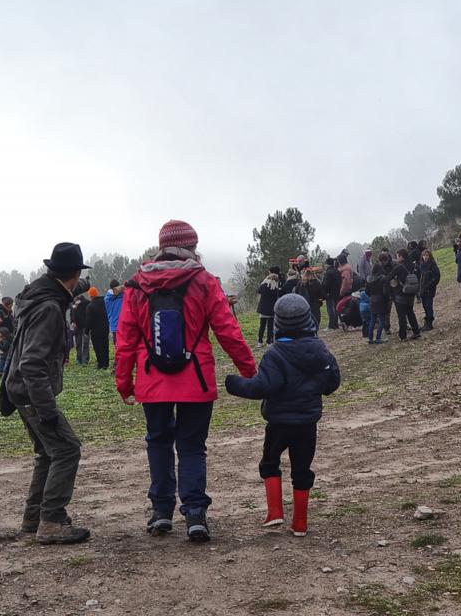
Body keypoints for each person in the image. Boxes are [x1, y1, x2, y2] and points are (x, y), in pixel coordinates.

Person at [116, 219, 257, 542]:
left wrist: (125, 383)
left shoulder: (137, 285)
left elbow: (125, 341)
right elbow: (228, 332)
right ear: (192, 246)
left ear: (161, 246)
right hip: (196, 380)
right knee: (192, 446)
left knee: (159, 443)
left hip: (152, 383)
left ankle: (161, 512)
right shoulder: (204, 281)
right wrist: (249, 371)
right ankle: (195, 514)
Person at [225, 294, 340, 537]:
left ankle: (275, 512)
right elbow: (332, 383)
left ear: (278, 323)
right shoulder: (321, 350)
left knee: (270, 463)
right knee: (302, 468)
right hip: (308, 423)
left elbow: (261, 387)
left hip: (278, 422)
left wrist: (233, 383)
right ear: (308, 319)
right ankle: (300, 523)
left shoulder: (276, 354)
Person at [3, 241, 92, 544]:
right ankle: (51, 520)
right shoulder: (51, 308)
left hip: (19, 390)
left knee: (47, 451)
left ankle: (33, 518)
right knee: (67, 448)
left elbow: (76, 288)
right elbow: (32, 364)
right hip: (31, 391)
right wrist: (48, 411)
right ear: (74, 273)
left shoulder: (42, 293)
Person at [389, 248, 422, 341]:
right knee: (410, 312)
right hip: (412, 293)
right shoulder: (414, 265)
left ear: (401, 256)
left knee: (401, 316)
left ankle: (403, 336)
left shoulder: (399, 267)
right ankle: (416, 331)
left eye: (397, 256)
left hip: (401, 293)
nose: (396, 258)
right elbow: (419, 274)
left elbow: (389, 277)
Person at [86, 287, 110, 369]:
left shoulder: (90, 306)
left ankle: (101, 364)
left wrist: (86, 330)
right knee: (105, 345)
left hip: (95, 330)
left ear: (91, 296)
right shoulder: (104, 302)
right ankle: (106, 363)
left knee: (98, 347)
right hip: (105, 328)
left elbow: (89, 320)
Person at [256, 268, 281, 347]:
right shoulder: (276, 289)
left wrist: (265, 280)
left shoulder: (263, 286)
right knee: (270, 326)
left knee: (262, 326)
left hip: (263, 309)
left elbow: (258, 290)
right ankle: (269, 342)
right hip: (271, 310)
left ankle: (260, 342)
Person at [365, 263, 388, 344]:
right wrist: (387, 298)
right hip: (381, 300)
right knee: (382, 319)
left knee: (373, 319)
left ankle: (370, 338)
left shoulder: (369, 279)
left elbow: (366, 291)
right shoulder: (382, 278)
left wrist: (371, 296)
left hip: (372, 300)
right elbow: (385, 291)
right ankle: (378, 337)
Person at [419, 248, 441, 330]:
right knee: (425, 306)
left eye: (427, 255)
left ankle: (429, 322)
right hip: (422, 290)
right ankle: (426, 321)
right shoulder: (421, 266)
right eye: (424, 255)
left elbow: (436, 277)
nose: (425, 257)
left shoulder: (433, 265)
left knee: (429, 306)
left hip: (429, 290)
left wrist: (429, 285)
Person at [71, 292, 91, 365]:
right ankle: (78, 359)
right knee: (78, 343)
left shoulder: (87, 302)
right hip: (77, 326)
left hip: (85, 326)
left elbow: (89, 313)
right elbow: (72, 313)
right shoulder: (73, 303)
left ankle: (85, 360)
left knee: (86, 342)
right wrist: (72, 321)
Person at [322, 257, 341, 331]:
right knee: (336, 309)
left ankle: (331, 326)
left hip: (329, 294)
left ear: (327, 264)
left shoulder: (328, 273)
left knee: (330, 309)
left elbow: (326, 284)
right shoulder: (337, 271)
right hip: (337, 293)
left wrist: (325, 292)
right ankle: (336, 324)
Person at [105, 279, 125, 348]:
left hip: (114, 326)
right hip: (123, 324)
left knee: (117, 346)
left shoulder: (107, 299)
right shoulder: (123, 296)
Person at [379, 250, 395, 334]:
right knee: (386, 311)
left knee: (401, 309)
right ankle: (386, 327)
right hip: (385, 291)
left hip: (393, 289)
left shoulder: (393, 265)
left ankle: (404, 324)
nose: (382, 263)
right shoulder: (379, 267)